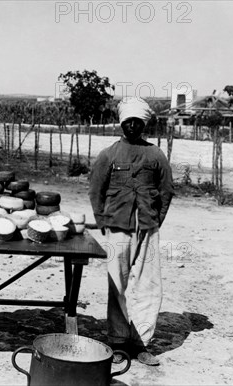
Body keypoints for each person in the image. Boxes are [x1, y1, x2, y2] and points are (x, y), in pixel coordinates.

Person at [88, 97, 174, 366]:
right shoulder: (109, 155)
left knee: (148, 284)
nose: (133, 126)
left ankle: (142, 344)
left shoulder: (156, 155)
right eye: (128, 121)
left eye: (138, 122)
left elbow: (166, 190)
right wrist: (103, 221)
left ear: (144, 124)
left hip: (147, 227)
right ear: (122, 123)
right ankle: (117, 341)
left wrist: (156, 220)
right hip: (117, 228)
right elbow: (96, 190)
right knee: (117, 282)